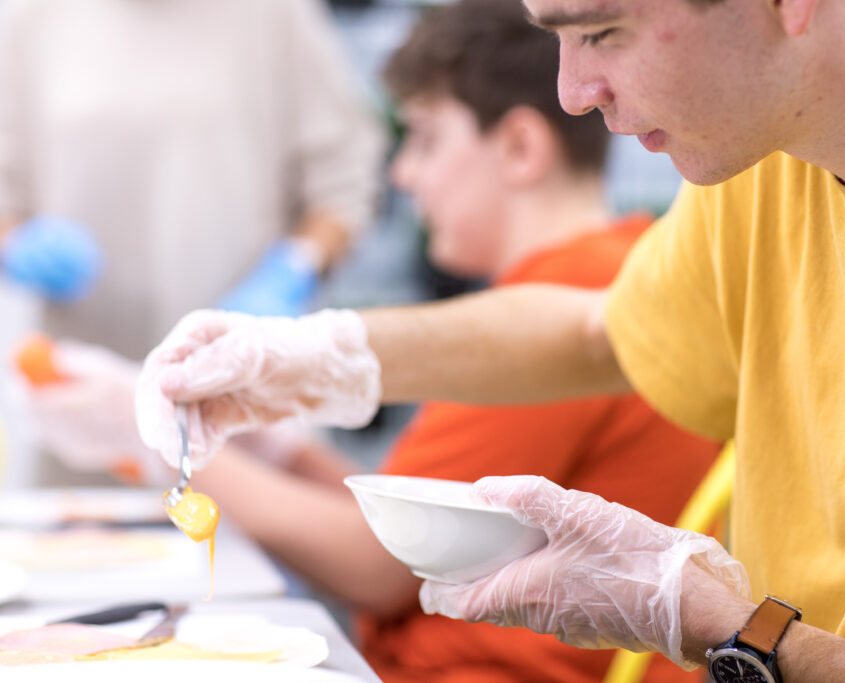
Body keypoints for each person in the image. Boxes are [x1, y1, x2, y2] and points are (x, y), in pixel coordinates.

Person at [136, 0, 845, 680]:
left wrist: (722, 624)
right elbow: (601, 330)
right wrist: (314, 356)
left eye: (601, 31)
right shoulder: (772, 154)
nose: (570, 91)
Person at [27, 1, 722, 679]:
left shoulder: (567, 292)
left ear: (519, 146)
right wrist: (286, 450)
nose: (402, 175)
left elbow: (378, 566)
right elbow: (420, 522)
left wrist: (151, 436)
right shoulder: (599, 270)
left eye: (423, 139)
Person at [0, 0, 385, 362]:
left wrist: (296, 267)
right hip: (81, 373)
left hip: (247, 368)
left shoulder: (275, 13)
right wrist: (16, 242)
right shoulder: (31, 17)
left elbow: (344, 177)